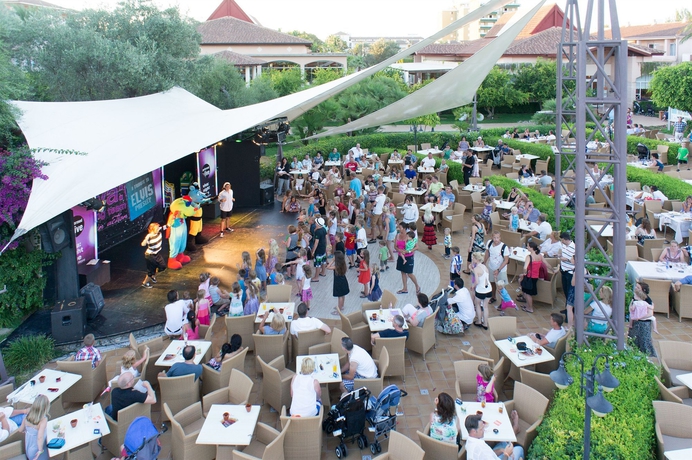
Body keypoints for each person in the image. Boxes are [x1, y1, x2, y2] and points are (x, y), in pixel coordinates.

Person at [628, 286, 657, 356]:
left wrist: (631, 305)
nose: (635, 288)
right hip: (642, 318)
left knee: (631, 317)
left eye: (638, 287)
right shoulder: (644, 302)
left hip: (639, 318)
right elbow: (651, 307)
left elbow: (631, 309)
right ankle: (655, 328)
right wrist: (653, 305)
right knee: (654, 319)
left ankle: (630, 325)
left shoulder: (637, 302)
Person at [18, 395, 49, 460]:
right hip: (37, 447)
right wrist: (40, 450)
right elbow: (40, 437)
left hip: (29, 446)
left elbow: (20, 430)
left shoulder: (27, 416)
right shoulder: (43, 420)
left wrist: (28, 431)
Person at [484, 231, 510, 303]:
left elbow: (506, 260)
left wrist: (498, 270)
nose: (496, 239)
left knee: (502, 286)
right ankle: (493, 297)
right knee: (492, 282)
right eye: (494, 237)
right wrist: (484, 262)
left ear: (500, 238)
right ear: (492, 237)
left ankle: (503, 302)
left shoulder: (504, 247)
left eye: (497, 237)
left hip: (501, 270)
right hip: (491, 267)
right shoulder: (489, 243)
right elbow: (487, 252)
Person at [518, 241, 543, 314]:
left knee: (527, 293)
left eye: (528, 246)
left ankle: (530, 308)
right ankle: (527, 305)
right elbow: (546, 264)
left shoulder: (529, 257)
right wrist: (553, 270)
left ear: (531, 248)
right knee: (528, 292)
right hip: (535, 276)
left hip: (529, 276)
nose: (527, 247)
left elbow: (525, 267)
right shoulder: (540, 256)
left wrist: (524, 273)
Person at [395, 226, 421, 295]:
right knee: (403, 272)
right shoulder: (398, 236)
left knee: (410, 273)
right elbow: (396, 246)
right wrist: (400, 250)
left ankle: (417, 286)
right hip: (401, 256)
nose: (399, 229)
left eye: (400, 227)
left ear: (404, 228)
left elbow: (417, 247)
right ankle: (405, 288)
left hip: (409, 257)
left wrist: (409, 251)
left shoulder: (412, 237)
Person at [140, 222, 166, 288]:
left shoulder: (159, 231)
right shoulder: (149, 236)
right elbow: (143, 244)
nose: (158, 229)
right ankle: (145, 283)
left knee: (162, 266)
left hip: (157, 254)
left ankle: (153, 276)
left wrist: (173, 219)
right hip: (150, 256)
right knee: (151, 271)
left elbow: (167, 226)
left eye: (158, 228)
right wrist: (146, 238)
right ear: (152, 229)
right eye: (156, 228)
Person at [471, 252, 491, 330]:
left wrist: (473, 286)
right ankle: (485, 323)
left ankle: (479, 321)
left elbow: (477, 281)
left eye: (473, 258)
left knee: (478, 305)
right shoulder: (484, 267)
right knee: (485, 306)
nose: (472, 259)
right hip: (488, 289)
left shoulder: (476, 269)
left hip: (480, 290)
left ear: (476, 259)